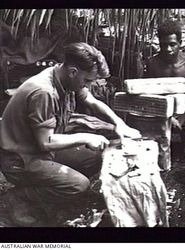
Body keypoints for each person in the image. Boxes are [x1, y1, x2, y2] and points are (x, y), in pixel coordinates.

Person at [0, 42, 141, 226]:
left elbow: (90, 100)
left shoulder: (65, 77)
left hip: (38, 150)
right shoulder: (44, 91)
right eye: (88, 81)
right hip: (20, 160)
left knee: (95, 158)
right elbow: (46, 142)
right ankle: (20, 198)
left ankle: (49, 191)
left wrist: (119, 124)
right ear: (73, 71)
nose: (88, 85)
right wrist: (86, 137)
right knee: (78, 185)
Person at [144, 20, 185, 154]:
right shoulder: (152, 64)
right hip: (161, 111)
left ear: (180, 43)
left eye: (172, 44)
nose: (168, 49)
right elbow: (146, 95)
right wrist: (166, 116)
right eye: (163, 45)